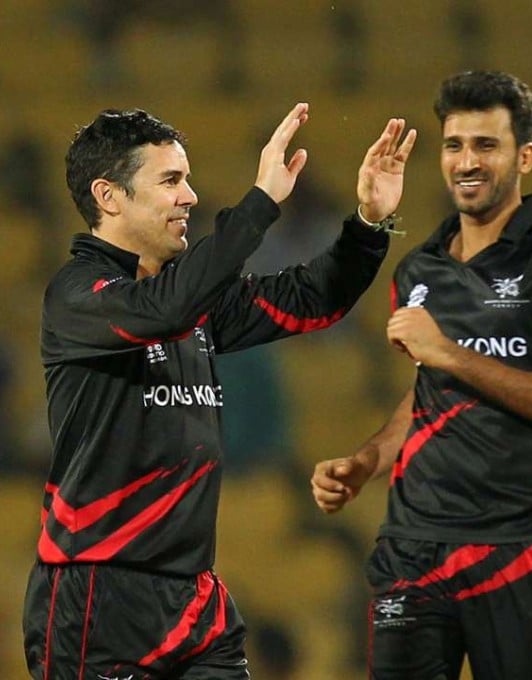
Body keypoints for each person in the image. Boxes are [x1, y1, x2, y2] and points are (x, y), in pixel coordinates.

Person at [23, 102, 416, 678]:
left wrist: (368, 224)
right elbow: (166, 308)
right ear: (109, 197)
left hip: (193, 601)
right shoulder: (78, 297)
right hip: (100, 598)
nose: (190, 197)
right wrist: (260, 203)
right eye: (170, 181)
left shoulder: (187, 303)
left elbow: (313, 299)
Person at [311, 70, 532, 679]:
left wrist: (449, 350)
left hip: (522, 545)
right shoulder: (420, 267)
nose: (465, 161)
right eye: (454, 145)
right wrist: (367, 462)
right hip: (415, 541)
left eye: (486, 145)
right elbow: (431, 395)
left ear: (524, 155)